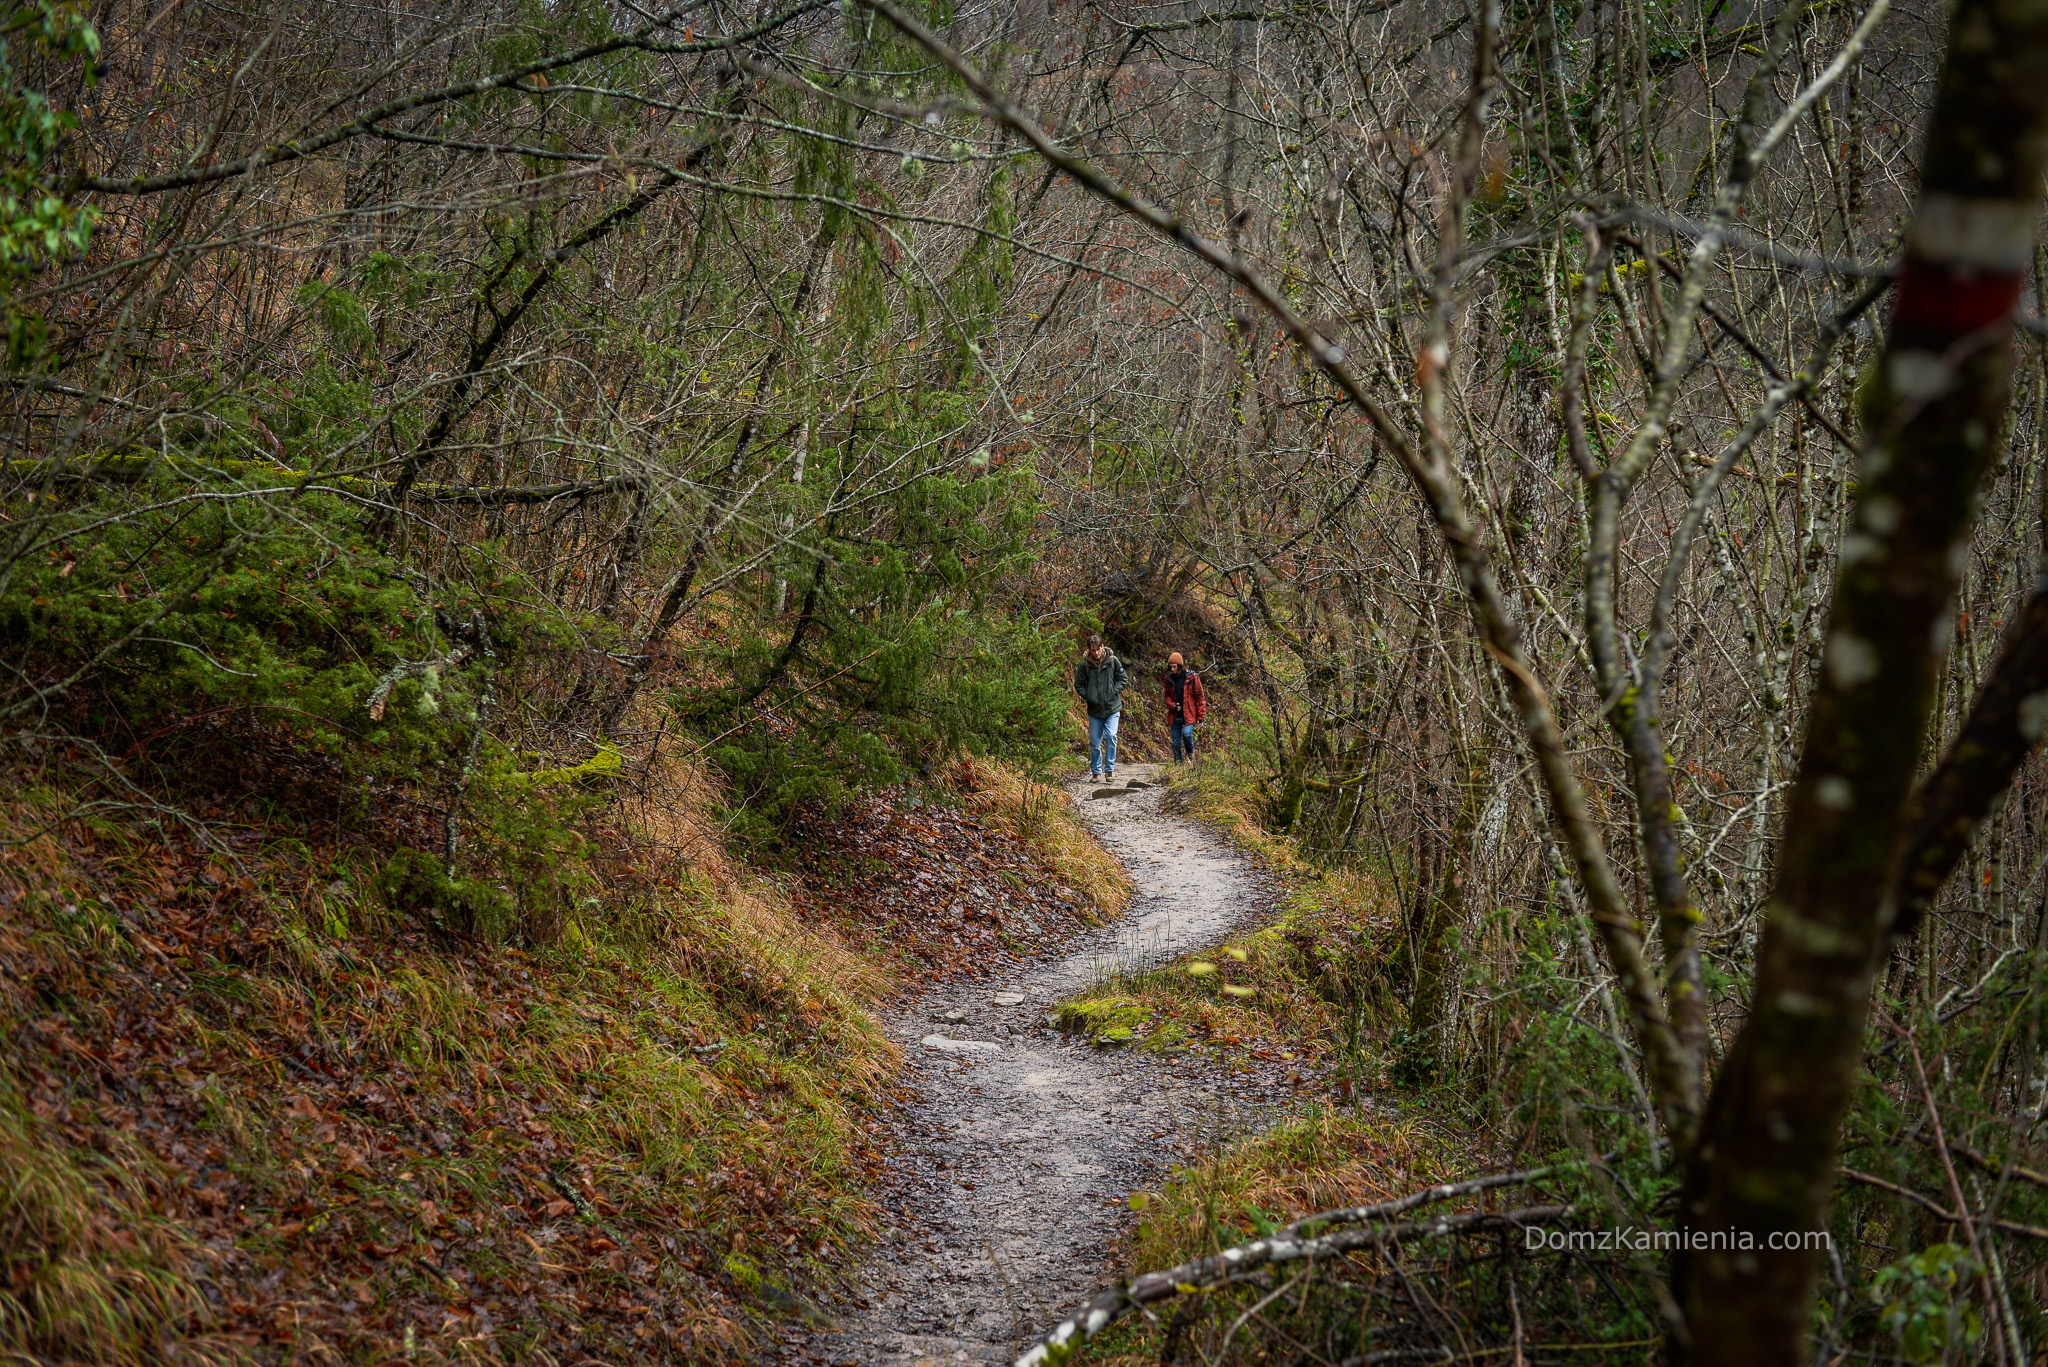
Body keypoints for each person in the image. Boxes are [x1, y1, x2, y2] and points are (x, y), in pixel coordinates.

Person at [1073, 634, 1127, 780]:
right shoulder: (1085, 665)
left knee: (1111, 736)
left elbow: (1123, 680)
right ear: (1089, 650)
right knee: (1095, 742)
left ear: (1102, 647)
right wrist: (1089, 695)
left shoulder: (1112, 661)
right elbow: (1078, 685)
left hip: (1112, 708)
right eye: (1093, 650)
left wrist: (1113, 692)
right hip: (1095, 710)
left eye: (1098, 649)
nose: (1096, 653)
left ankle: (1109, 770)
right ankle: (1096, 772)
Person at [1163, 651, 1207, 762]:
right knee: (1176, 743)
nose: (1172, 669)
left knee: (1187, 734)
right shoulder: (1169, 679)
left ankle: (1190, 756)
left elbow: (1200, 697)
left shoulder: (1192, 678)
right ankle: (1179, 765)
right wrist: (1173, 705)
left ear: (1180, 665)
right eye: (1171, 667)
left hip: (1189, 714)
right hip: (1175, 715)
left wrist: (1201, 718)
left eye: (1174, 666)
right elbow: (1167, 696)